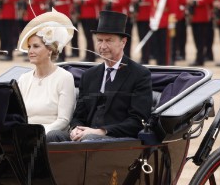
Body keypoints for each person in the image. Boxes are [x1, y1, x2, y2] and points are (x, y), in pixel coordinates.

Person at [48, 10, 152, 142]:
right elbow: (79, 115)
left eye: (109, 40)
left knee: (90, 139)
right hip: (87, 136)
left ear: (123, 42)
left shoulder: (139, 75)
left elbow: (138, 121)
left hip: (118, 139)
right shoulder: (89, 75)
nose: (102, 46)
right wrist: (76, 128)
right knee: (52, 136)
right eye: (99, 40)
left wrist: (101, 131)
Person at [15, 10, 76, 133]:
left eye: (36, 46)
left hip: (52, 137)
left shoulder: (64, 77)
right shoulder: (23, 79)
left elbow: (64, 120)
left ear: (50, 50)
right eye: (29, 47)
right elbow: (17, 116)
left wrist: (40, 133)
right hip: (25, 137)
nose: (30, 51)